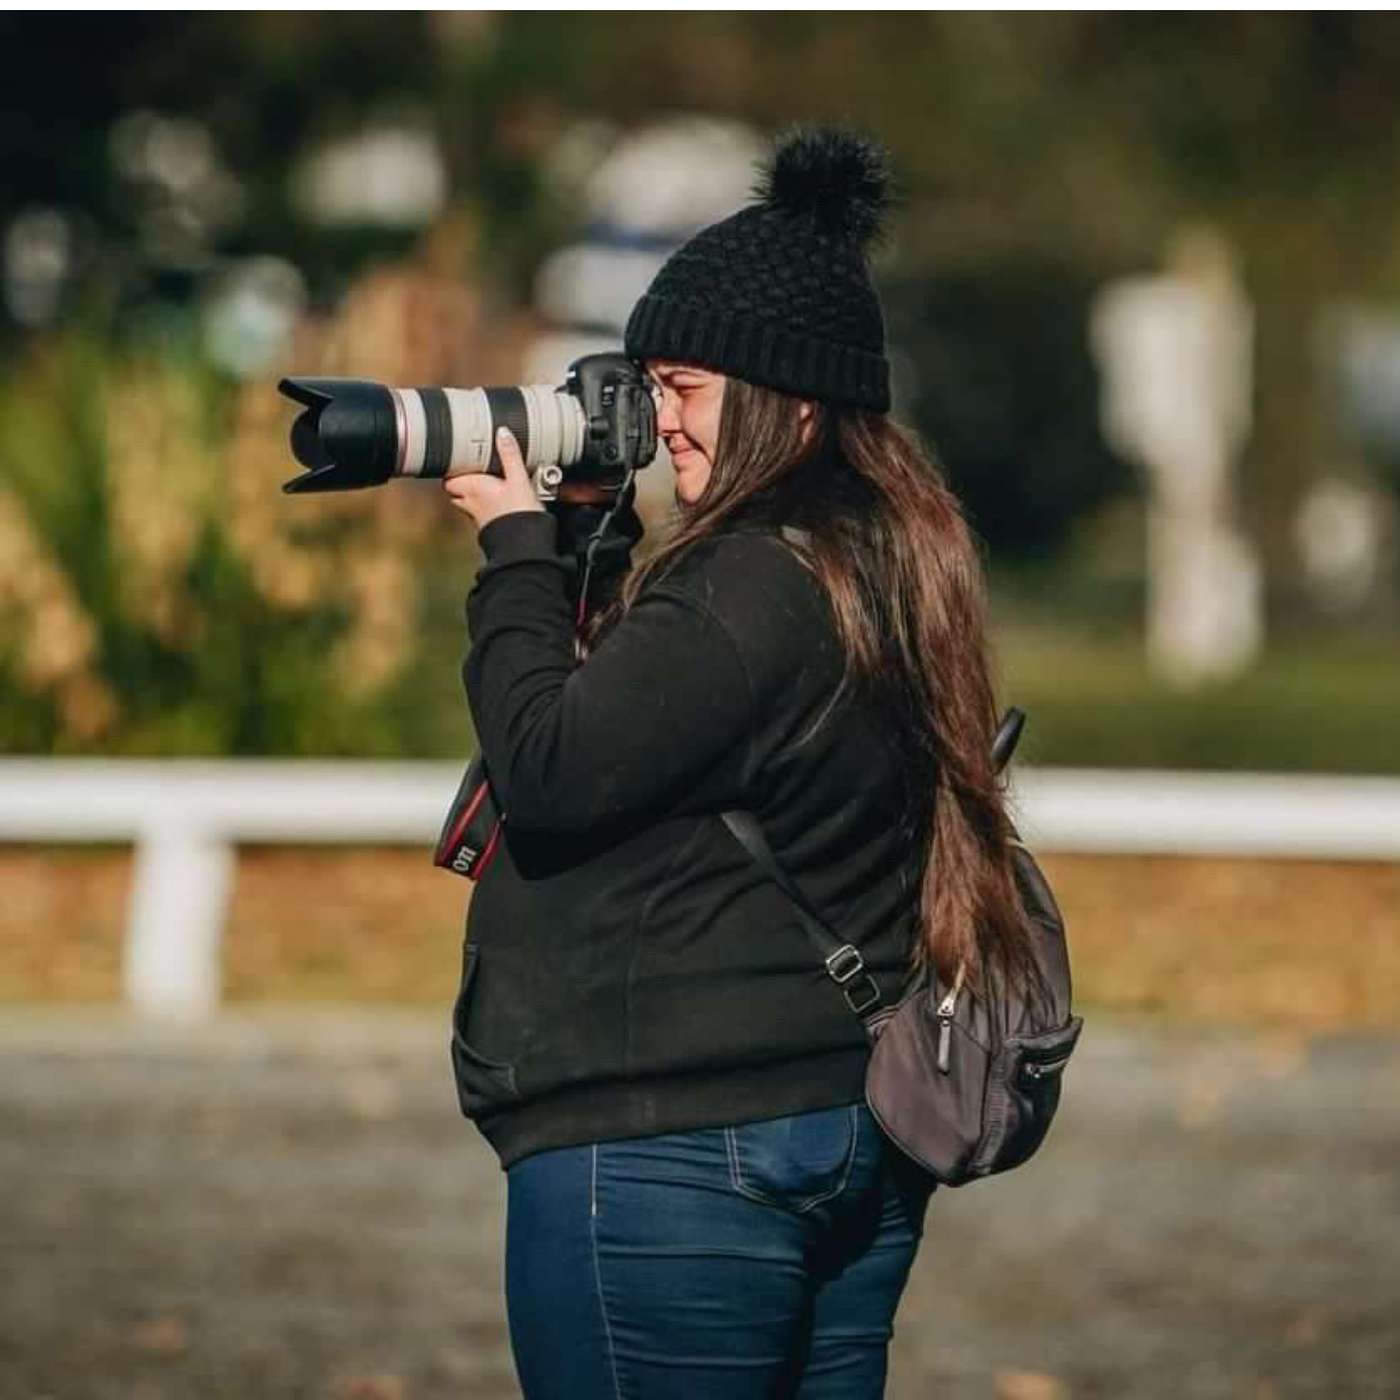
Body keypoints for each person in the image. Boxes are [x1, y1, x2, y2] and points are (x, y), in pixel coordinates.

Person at [441, 124, 1040, 1398]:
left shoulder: (748, 583)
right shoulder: (885, 562)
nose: (656, 424)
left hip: (670, 1147)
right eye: (649, 386)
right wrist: (590, 541)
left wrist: (511, 555)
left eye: (684, 390)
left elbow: (547, 764)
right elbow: (664, 737)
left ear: (787, 395)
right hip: (839, 1125)